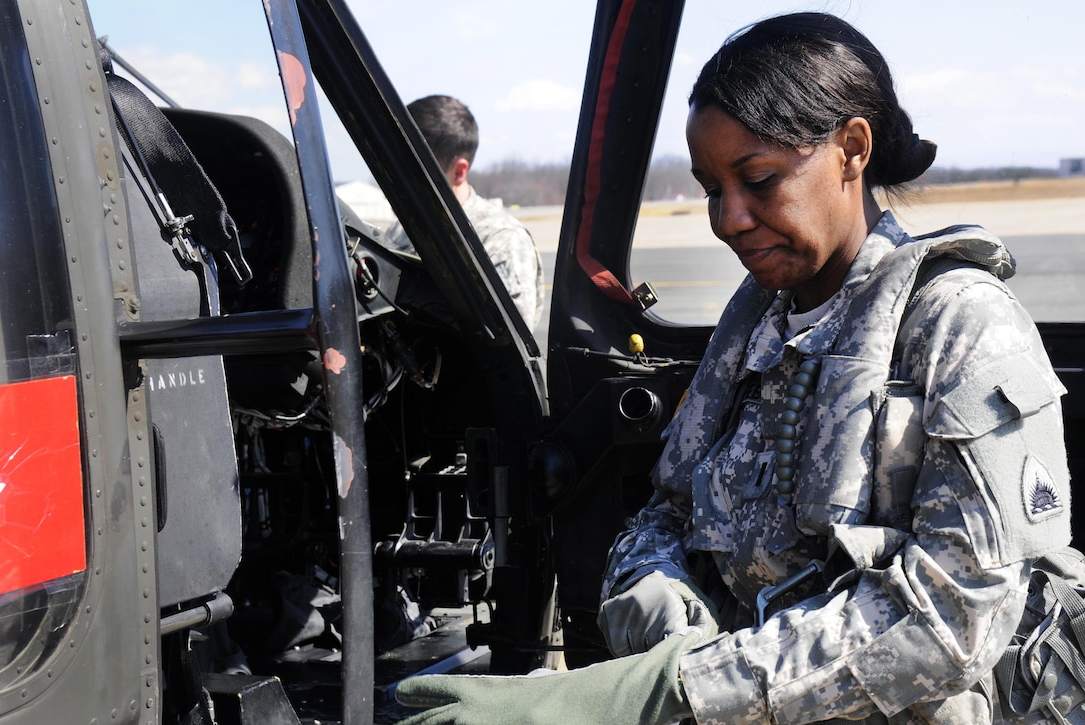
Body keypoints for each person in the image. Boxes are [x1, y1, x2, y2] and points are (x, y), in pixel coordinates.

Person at [394, 12, 1075, 724]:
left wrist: (681, 688)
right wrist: (670, 623)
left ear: (851, 148)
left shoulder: (961, 324)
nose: (728, 218)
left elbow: (953, 621)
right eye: (712, 188)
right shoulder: (754, 320)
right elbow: (661, 513)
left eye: (757, 179)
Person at [385, 94, 545, 331]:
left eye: (413, 168)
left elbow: (505, 347)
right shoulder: (402, 229)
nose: (398, 177)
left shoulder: (500, 240)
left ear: (459, 171)